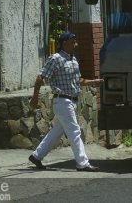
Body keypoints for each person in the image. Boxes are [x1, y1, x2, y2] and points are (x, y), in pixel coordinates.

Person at [28, 32, 104, 172]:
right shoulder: (56, 59)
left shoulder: (73, 59)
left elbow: (78, 81)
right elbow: (41, 77)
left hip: (71, 101)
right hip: (62, 101)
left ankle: (36, 156)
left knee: (57, 131)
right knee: (75, 131)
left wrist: (94, 82)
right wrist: (35, 97)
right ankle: (82, 163)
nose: (76, 44)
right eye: (73, 41)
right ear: (64, 43)